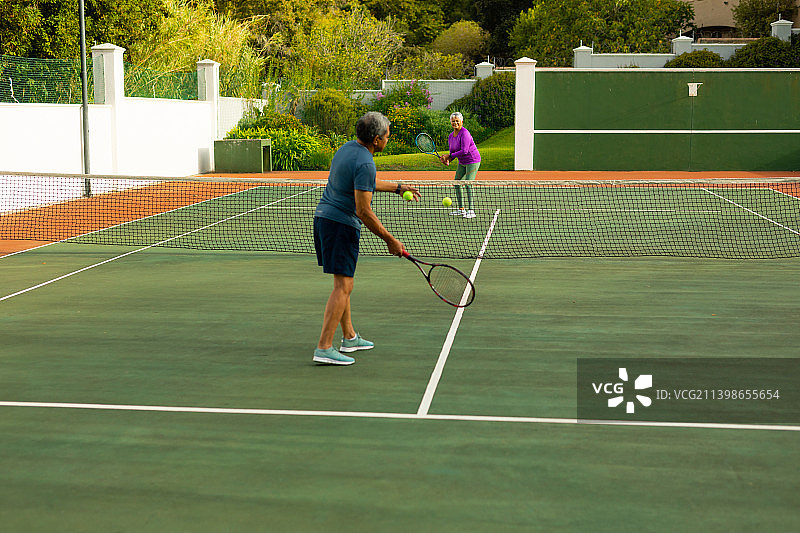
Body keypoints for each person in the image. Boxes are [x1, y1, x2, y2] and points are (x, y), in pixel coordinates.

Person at [312, 112, 420, 366]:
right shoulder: (365, 162)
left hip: (324, 219)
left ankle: (349, 337)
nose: (388, 138)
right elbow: (363, 210)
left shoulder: (348, 149)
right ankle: (324, 347)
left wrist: (397, 187)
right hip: (340, 225)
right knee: (343, 286)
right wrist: (390, 239)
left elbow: (364, 182)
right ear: (375, 139)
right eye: (387, 135)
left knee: (343, 283)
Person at [439, 111, 480, 219]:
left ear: (461, 121)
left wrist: (449, 155)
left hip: (472, 160)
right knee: (457, 183)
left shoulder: (465, 133)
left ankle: (471, 210)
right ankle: (461, 209)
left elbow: (465, 151)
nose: (455, 123)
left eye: (457, 121)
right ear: (451, 122)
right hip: (462, 162)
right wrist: (448, 160)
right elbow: (453, 152)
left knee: (468, 183)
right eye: (453, 121)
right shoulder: (451, 136)